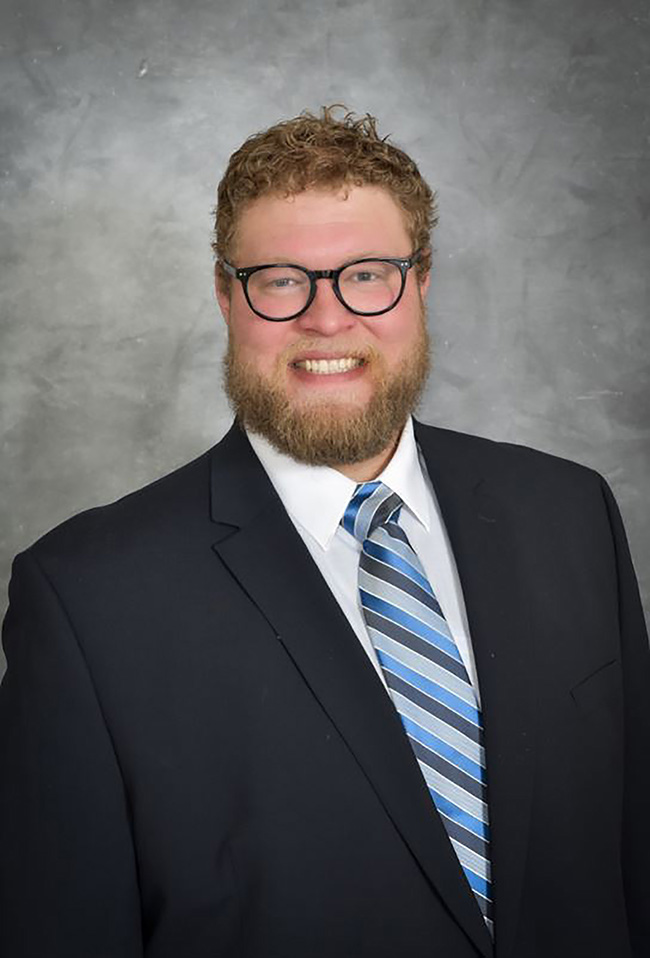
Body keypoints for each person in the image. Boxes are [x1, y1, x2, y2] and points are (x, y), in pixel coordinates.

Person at [0, 106, 648, 958]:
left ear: (420, 282)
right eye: (281, 280)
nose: (328, 320)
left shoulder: (570, 513)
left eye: (368, 274)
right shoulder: (86, 598)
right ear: (228, 295)